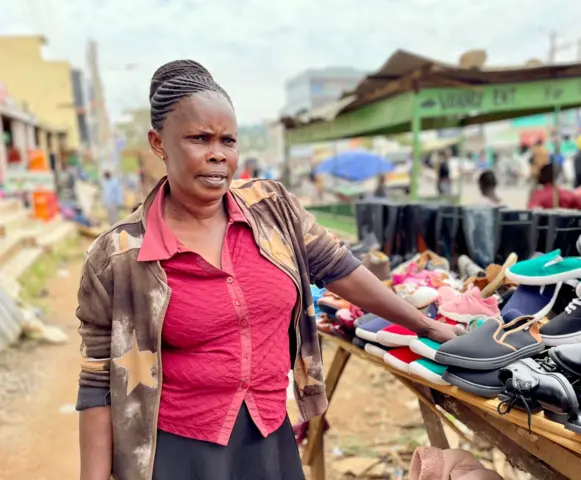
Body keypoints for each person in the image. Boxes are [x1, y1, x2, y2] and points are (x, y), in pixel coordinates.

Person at [75, 59, 457, 480]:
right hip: (180, 452)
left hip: (268, 435)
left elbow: (338, 267)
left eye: (228, 140)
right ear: (158, 142)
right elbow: (99, 381)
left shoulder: (273, 210)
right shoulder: (119, 254)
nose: (218, 154)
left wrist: (426, 326)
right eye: (199, 139)